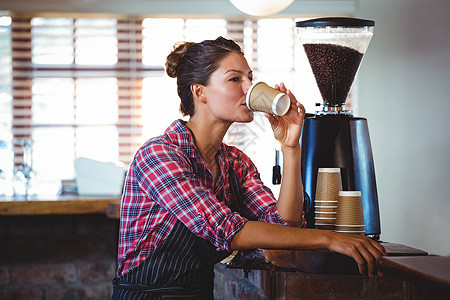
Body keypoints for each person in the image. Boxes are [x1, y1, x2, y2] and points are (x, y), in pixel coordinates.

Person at [111, 36, 386, 299]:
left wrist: (291, 148)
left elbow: (284, 225)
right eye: (235, 79)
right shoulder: (159, 155)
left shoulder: (235, 163)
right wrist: (329, 239)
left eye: (250, 78)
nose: (250, 88)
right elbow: (225, 228)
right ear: (199, 92)